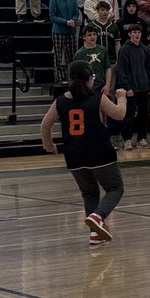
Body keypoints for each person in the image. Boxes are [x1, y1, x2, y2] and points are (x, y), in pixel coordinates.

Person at [40, 61, 128, 245]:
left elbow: (45, 124)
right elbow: (119, 114)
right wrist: (122, 97)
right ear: (90, 79)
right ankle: (99, 216)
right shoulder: (97, 98)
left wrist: (49, 145)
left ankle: (96, 233)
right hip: (100, 153)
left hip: (74, 156)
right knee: (115, 188)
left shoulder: (61, 100)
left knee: (89, 194)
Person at [115, 24, 150, 149]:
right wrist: (127, 87)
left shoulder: (144, 49)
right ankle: (127, 139)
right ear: (130, 34)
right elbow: (122, 70)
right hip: (131, 89)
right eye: (134, 32)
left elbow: (149, 68)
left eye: (139, 32)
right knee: (128, 115)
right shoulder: (125, 49)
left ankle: (142, 138)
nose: (137, 34)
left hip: (144, 88)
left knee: (143, 114)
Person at [49, 0, 82, 92]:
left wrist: (72, 20)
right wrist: (65, 21)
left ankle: (71, 77)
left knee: (72, 55)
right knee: (58, 55)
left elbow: (76, 13)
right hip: (58, 31)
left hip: (70, 31)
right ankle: (59, 78)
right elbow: (52, 16)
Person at [73, 26, 114, 94]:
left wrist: (107, 85)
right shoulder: (79, 53)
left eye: (94, 34)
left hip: (101, 86)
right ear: (84, 37)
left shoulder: (102, 50)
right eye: (89, 35)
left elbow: (107, 68)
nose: (92, 37)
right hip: (86, 87)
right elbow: (76, 74)